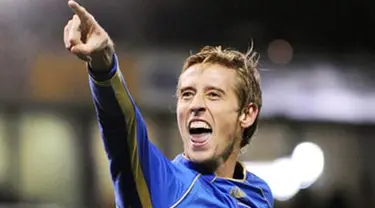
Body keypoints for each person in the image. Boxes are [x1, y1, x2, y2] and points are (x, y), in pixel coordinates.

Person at [64, 1, 274, 207]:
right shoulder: (163, 186)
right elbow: (123, 132)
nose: (195, 105)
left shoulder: (259, 193)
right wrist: (103, 64)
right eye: (187, 94)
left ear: (247, 114)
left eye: (213, 95)